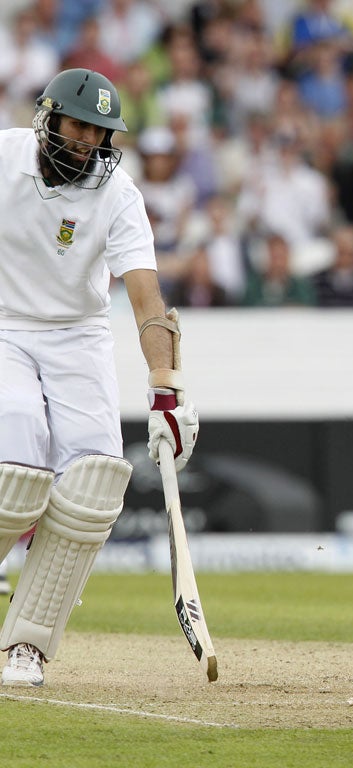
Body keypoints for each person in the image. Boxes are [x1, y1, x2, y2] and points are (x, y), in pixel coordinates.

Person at [0, 69, 198, 686]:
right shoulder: (4, 158)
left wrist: (166, 391)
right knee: (19, 464)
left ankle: (25, 647)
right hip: (3, 323)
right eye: (79, 125)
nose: (88, 141)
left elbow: (146, 299)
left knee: (94, 486)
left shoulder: (119, 192)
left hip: (78, 334)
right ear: (49, 117)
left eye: (101, 131)